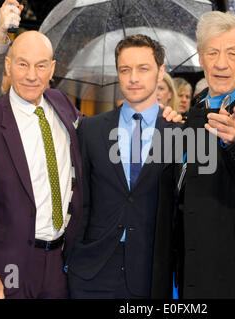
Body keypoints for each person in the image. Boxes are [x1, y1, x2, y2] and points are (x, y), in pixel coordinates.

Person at [153, 11, 235, 298]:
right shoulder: (195, 111)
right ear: (201, 57)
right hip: (189, 270)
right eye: (212, 52)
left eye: (232, 53)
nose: (221, 63)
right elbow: (179, 188)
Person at [0, 31, 84, 299]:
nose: (31, 75)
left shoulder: (62, 105)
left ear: (52, 69)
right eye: (22, 64)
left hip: (60, 263)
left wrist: (166, 120)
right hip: (7, 266)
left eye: (40, 66)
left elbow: (99, 136)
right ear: (8, 65)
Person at [67, 34, 181, 299]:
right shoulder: (91, 129)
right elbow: (81, 199)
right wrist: (74, 255)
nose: (133, 78)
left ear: (160, 71)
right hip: (92, 269)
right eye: (125, 69)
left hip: (150, 271)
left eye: (143, 69)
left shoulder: (178, 133)